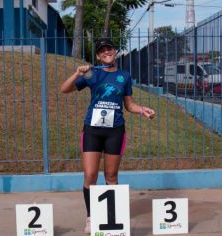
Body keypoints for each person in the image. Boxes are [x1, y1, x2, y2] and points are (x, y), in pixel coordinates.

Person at [60, 38, 155, 234]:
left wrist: (142, 110)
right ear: (98, 55)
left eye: (109, 49)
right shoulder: (92, 74)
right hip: (92, 131)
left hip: (115, 131)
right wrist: (77, 73)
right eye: (102, 50)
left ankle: (112, 218)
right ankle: (91, 217)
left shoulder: (124, 76)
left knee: (111, 176)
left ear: (115, 51)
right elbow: (65, 89)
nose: (106, 52)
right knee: (90, 175)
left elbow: (128, 104)